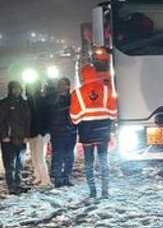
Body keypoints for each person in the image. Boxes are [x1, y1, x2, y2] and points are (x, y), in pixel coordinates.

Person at [70, 63, 118, 198]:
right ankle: (105, 191)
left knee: (89, 162)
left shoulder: (77, 93)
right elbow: (113, 112)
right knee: (104, 160)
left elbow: (74, 117)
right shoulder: (106, 90)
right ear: (95, 74)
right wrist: (106, 118)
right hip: (103, 130)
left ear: (83, 76)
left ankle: (92, 192)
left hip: (86, 132)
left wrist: (83, 117)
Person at [0, 80, 31, 194]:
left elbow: (28, 121)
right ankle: (12, 186)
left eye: (19, 88)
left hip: (21, 139)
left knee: (20, 163)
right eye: (15, 88)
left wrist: (27, 135)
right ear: (10, 89)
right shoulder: (4, 103)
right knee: (10, 164)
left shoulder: (24, 103)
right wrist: (5, 135)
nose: (17, 90)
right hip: (9, 139)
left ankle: (18, 184)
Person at [49, 78, 77, 187]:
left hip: (70, 132)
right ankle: (58, 179)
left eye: (65, 85)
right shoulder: (53, 99)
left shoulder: (72, 98)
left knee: (69, 157)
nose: (63, 87)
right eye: (61, 85)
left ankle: (66, 177)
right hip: (57, 133)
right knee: (58, 156)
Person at [25, 80, 52, 186]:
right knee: (34, 157)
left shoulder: (42, 101)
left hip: (40, 133)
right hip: (32, 133)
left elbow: (47, 117)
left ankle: (45, 179)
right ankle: (38, 176)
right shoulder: (28, 102)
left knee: (39, 157)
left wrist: (44, 131)